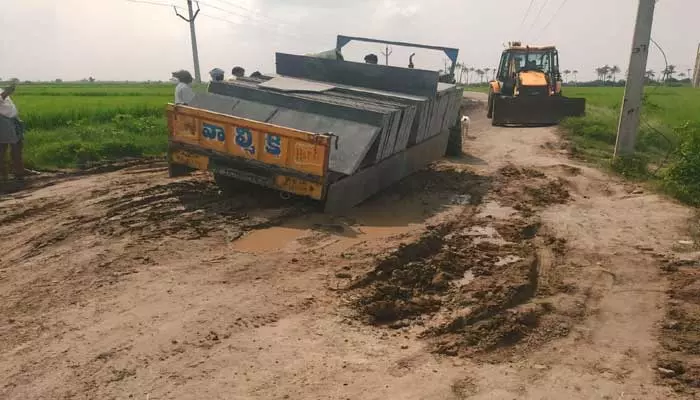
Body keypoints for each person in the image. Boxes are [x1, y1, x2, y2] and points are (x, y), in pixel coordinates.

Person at [0, 83, 25, 180]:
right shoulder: (3, 92)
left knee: (18, 144)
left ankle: (18, 170)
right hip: (3, 121)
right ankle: (4, 173)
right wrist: (6, 92)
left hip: (12, 120)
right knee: (3, 147)